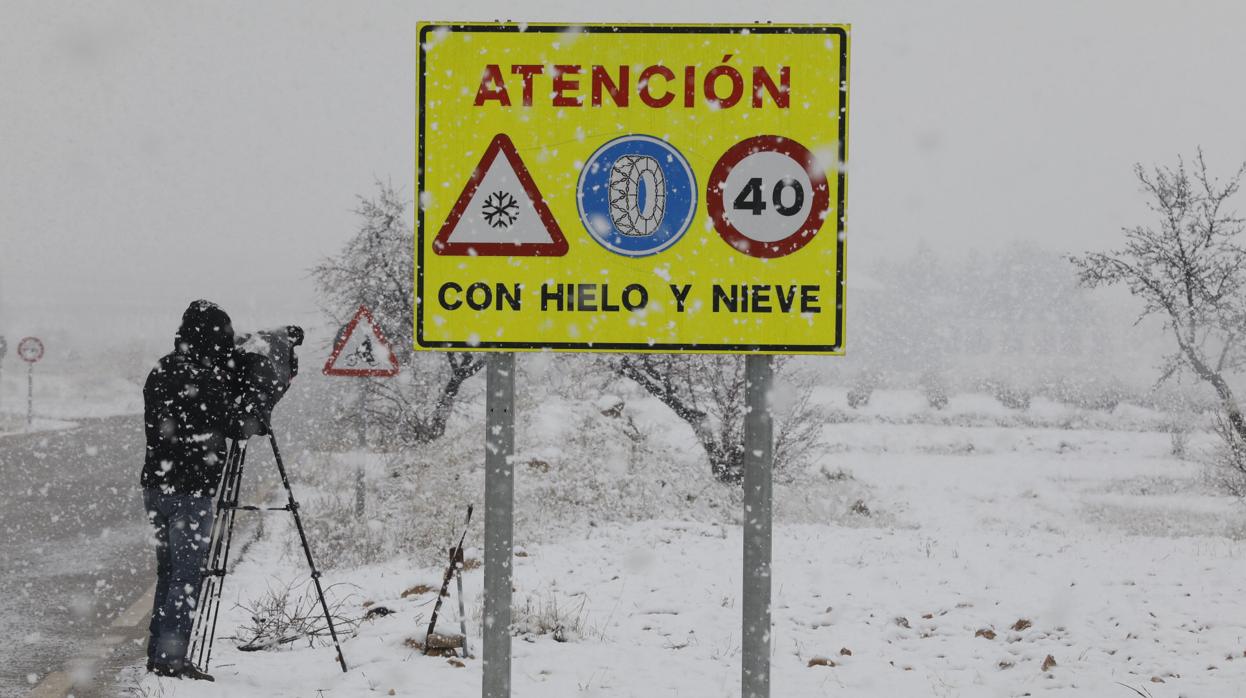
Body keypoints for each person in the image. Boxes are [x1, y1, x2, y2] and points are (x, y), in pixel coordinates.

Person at [140, 300, 254, 681]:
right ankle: (172, 659)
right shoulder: (206, 379)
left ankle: (159, 653)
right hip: (190, 491)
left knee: (169, 571)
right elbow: (238, 425)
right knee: (186, 578)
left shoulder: (161, 369)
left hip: (156, 486)